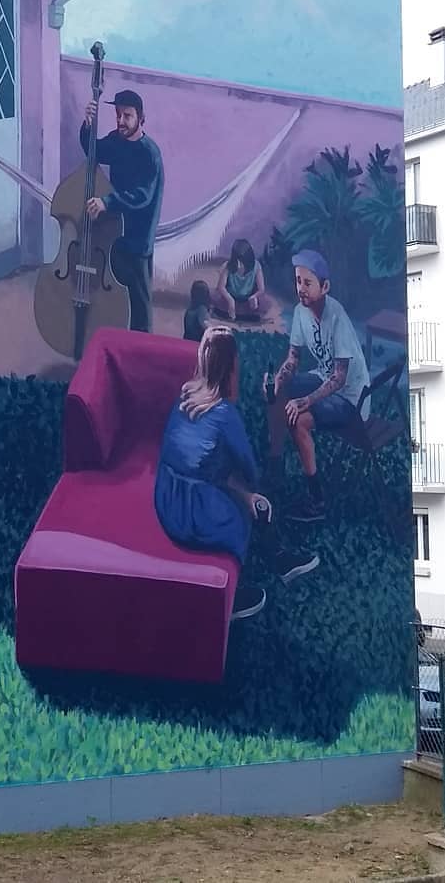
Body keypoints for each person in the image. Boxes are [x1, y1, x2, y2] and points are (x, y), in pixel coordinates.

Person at [154, 326, 319, 620]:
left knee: (230, 480)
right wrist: (249, 490)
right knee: (250, 498)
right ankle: (240, 590)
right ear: (232, 367)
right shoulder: (224, 414)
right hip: (194, 513)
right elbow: (249, 468)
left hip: (167, 499)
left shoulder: (185, 396)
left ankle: (280, 558)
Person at [267, 248, 371, 523]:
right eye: (298, 281)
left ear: (324, 287)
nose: (300, 288)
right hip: (323, 377)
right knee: (279, 391)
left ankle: (317, 500)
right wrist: (279, 378)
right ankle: (275, 461)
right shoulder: (301, 312)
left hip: (351, 398)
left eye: (307, 282)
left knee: (298, 421)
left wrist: (306, 401)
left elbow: (339, 377)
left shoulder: (337, 317)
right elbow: (294, 357)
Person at [80, 88, 165, 333]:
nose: (120, 121)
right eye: (118, 115)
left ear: (141, 118)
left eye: (127, 116)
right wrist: (87, 125)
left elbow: (142, 196)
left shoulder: (150, 153)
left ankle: (141, 344)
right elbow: (94, 150)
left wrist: (107, 202)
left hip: (138, 238)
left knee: (139, 301)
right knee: (116, 294)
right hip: (115, 232)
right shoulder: (116, 141)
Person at [214, 238, 265, 321]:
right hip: (231, 295)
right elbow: (221, 287)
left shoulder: (256, 266)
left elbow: (261, 289)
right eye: (236, 260)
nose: (238, 264)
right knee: (217, 301)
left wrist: (254, 296)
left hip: (248, 297)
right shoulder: (228, 266)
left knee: (261, 305)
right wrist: (230, 300)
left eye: (241, 261)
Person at [183, 279, 212, 343]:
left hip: (187, 341)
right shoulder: (202, 310)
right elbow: (207, 328)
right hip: (197, 343)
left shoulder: (190, 309)